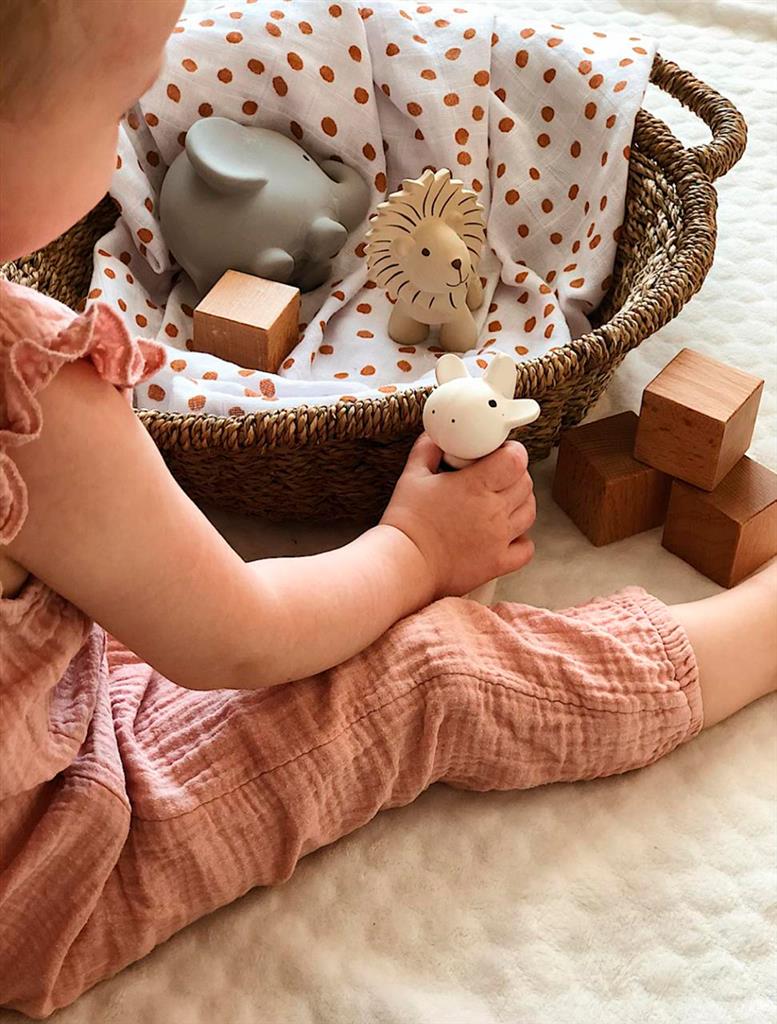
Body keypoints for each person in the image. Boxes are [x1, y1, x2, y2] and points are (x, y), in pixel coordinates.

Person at [1, 2, 774, 1017]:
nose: (121, 153)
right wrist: (412, 549)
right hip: (42, 865)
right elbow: (235, 637)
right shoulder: (34, 397)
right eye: (113, 108)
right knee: (430, 669)